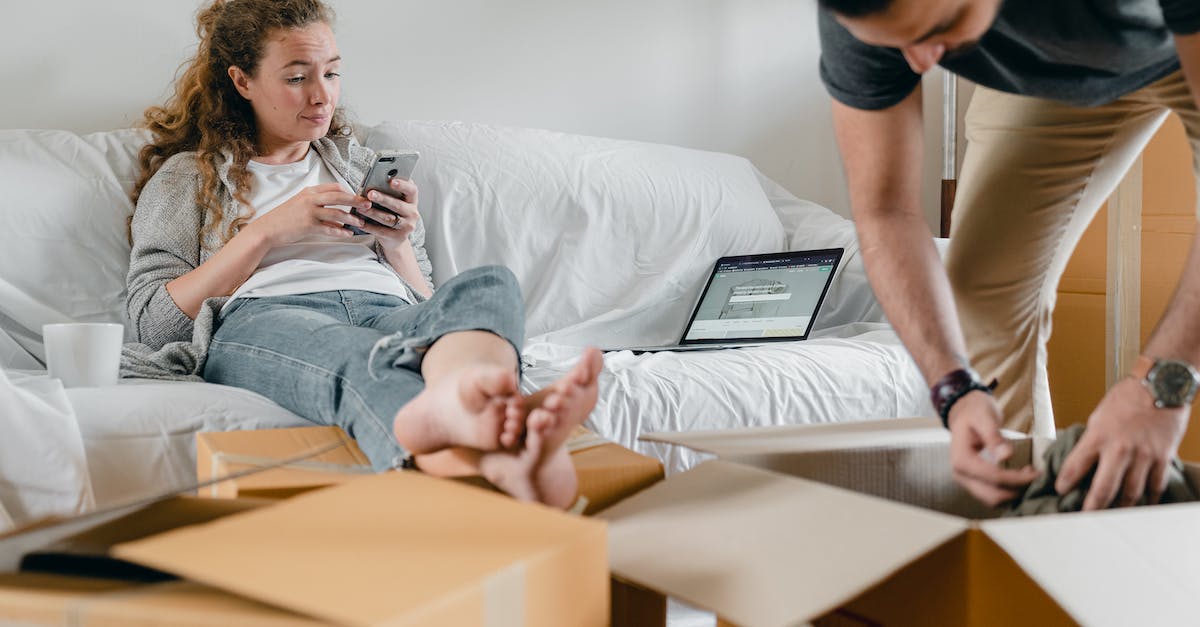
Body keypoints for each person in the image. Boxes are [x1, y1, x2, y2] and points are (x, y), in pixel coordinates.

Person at [123, 0, 602, 509]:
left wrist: (396, 244)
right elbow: (151, 326)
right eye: (296, 78)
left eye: (331, 73)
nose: (321, 96)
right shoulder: (185, 178)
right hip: (268, 316)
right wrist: (263, 233)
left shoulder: (359, 163)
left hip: (385, 308)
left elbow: (427, 304)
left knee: (490, 285)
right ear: (242, 82)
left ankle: (472, 397)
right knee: (360, 361)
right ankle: (484, 454)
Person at [816, 0, 1200, 510]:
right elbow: (885, 212)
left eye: (941, 29)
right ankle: (1032, 535)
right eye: (895, 44)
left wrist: (1161, 388)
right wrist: (951, 387)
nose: (921, 63)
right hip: (1049, 78)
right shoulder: (865, 20)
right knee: (979, 296)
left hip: (1179, 36)